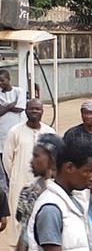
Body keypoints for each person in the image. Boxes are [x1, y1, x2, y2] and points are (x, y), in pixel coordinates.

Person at [4, 99, 54, 231]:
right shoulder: (15, 131)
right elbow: (7, 159)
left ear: (42, 111)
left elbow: (54, 158)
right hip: (19, 182)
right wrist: (15, 176)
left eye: (37, 109)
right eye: (31, 108)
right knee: (18, 220)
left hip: (44, 184)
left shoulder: (49, 132)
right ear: (26, 110)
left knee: (41, 217)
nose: (34, 111)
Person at [0, 68, 26, 194]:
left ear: (9, 80)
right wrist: (12, 104)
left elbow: (20, 108)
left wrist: (5, 106)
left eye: (2, 80)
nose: (0, 83)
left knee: (15, 160)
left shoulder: (19, 91)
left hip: (15, 132)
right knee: (3, 162)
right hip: (1, 134)